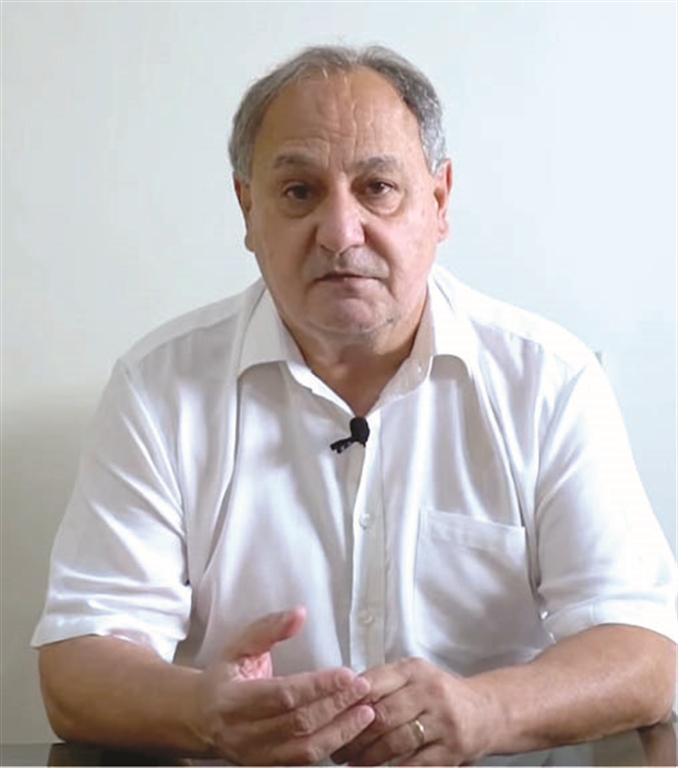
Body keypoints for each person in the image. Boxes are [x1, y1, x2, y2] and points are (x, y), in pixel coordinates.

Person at [32, 45, 676, 766]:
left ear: (439, 202)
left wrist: (487, 711)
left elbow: (644, 653)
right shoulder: (158, 389)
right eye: (299, 191)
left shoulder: (548, 381)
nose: (341, 233)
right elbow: (77, 666)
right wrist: (203, 710)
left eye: (377, 188)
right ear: (248, 208)